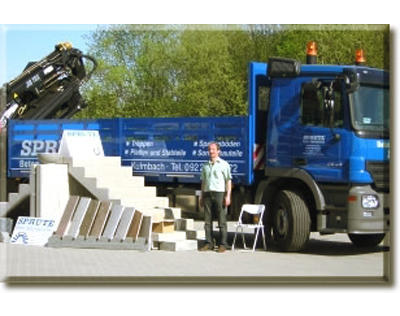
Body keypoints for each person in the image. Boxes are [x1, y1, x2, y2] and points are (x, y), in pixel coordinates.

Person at [199, 141, 232, 253]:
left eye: (213, 149)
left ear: (218, 151)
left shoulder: (224, 164)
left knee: (221, 219)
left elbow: (228, 181)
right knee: (207, 221)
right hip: (208, 193)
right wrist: (201, 196)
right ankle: (209, 243)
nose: (211, 151)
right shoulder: (205, 166)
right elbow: (203, 181)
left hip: (219, 193)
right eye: (209, 149)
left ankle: (223, 244)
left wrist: (228, 196)